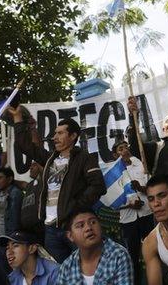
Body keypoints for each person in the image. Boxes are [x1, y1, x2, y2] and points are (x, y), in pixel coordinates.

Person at [10, 105, 106, 263]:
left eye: (60, 133)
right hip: (50, 230)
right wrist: (17, 119)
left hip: (75, 226)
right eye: (55, 133)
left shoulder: (84, 158)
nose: (54, 137)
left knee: (86, 268)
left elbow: (98, 186)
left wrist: (74, 208)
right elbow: (23, 146)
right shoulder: (49, 159)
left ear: (73, 136)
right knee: (59, 274)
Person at [112, 140, 155, 285]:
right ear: (114, 155)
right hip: (128, 221)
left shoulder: (140, 164)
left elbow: (151, 189)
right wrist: (130, 204)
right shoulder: (113, 174)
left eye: (126, 147)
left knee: (155, 250)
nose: (125, 150)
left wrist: (140, 188)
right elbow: (113, 202)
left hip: (146, 215)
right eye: (120, 149)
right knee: (133, 257)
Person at [57, 208, 133, 284]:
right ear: (70, 236)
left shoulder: (118, 255)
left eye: (93, 222)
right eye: (81, 225)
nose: (88, 228)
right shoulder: (67, 267)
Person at [0, 168, 23, 271]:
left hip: (8, 240)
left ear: (9, 179)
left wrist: (12, 240)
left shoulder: (15, 193)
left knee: (12, 272)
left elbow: (15, 220)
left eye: (0, 178)